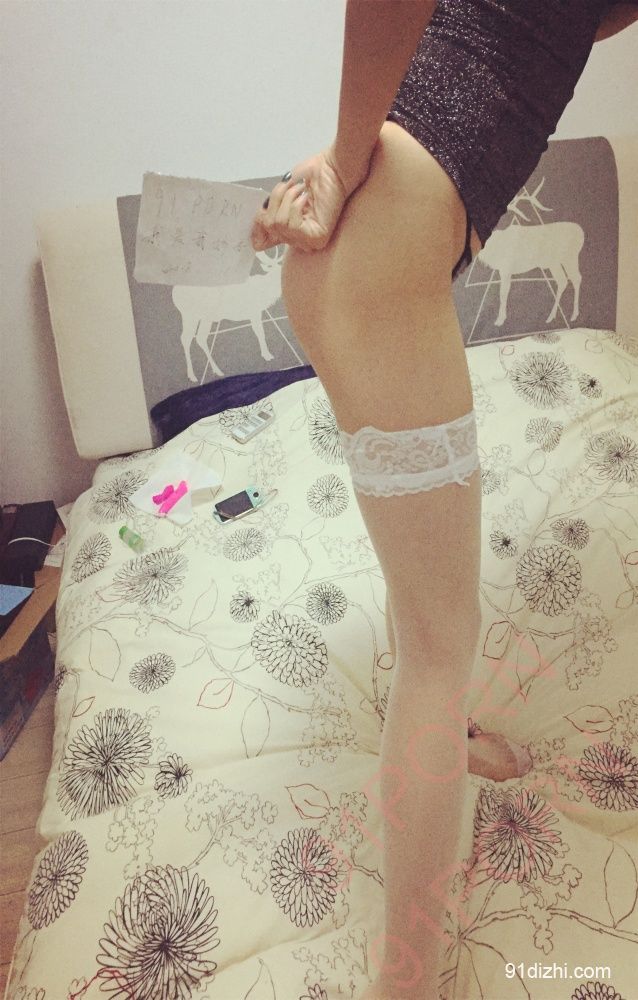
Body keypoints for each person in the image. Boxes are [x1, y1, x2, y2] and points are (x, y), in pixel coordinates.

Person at [250, 3, 638, 997]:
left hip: (362, 250)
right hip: (375, 245)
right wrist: (343, 164)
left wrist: (339, 172)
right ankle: (407, 983)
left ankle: (450, 740)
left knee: (423, 583)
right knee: (439, 645)